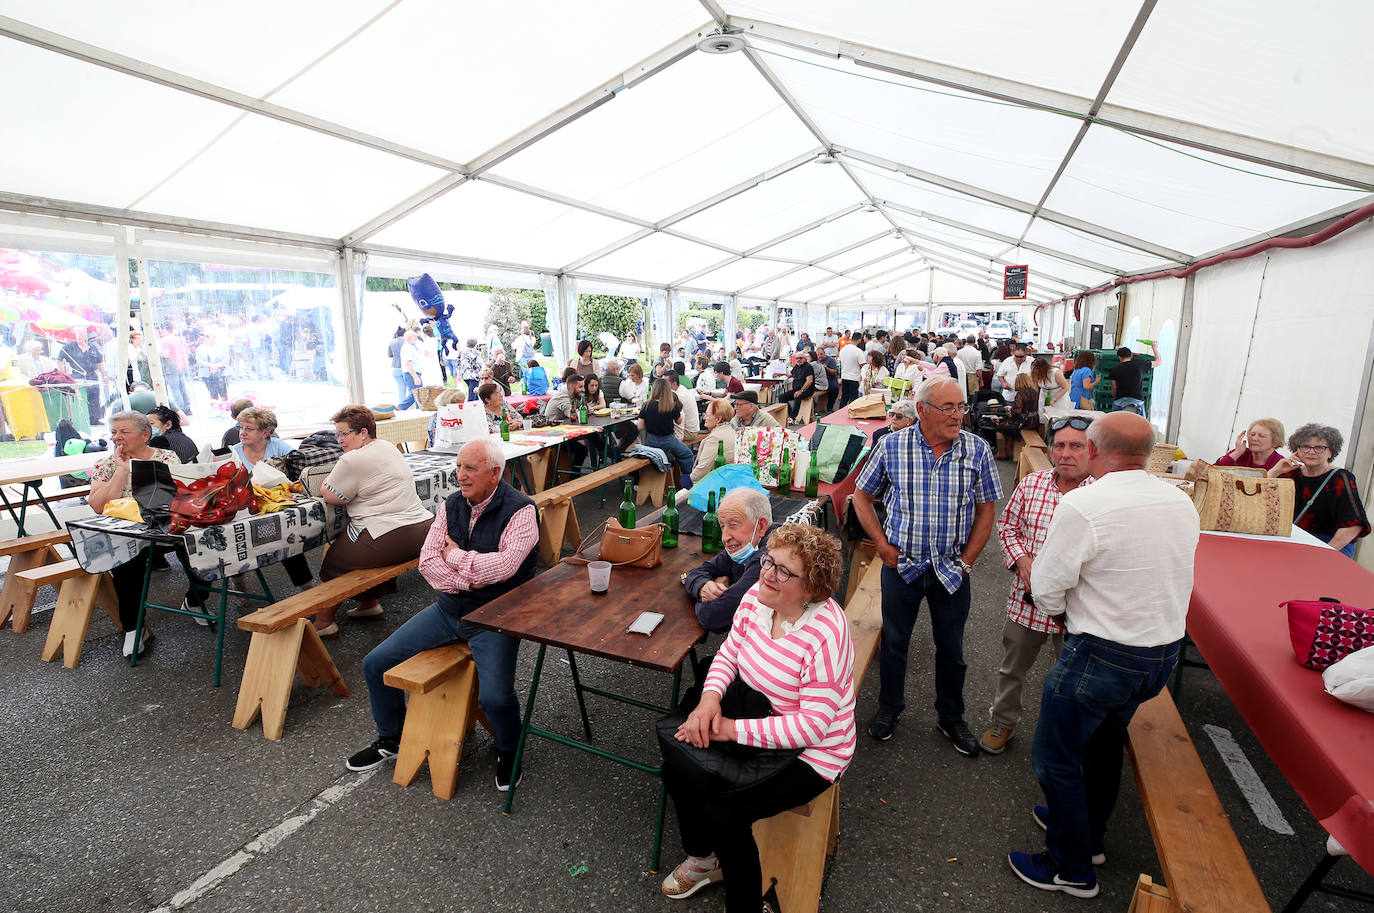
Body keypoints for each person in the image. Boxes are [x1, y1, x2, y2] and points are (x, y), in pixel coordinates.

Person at [1010, 412, 1198, 899]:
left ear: (1093, 449)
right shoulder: (1178, 500)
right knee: (1104, 746)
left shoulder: (1085, 504)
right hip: (1159, 653)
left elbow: (1049, 587)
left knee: (1056, 758)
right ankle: (1089, 837)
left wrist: (1059, 611)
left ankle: (1071, 869)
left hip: (1101, 651)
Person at [660, 525, 855, 911]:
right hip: (752, 715)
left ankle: (745, 906)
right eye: (768, 561)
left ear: (813, 588)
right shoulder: (758, 597)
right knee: (677, 764)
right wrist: (708, 701)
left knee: (725, 812)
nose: (767, 573)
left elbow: (811, 726)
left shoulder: (826, 633)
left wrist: (730, 730)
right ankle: (704, 859)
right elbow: (730, 652)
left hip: (812, 754)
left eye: (784, 570)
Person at [346, 438, 537, 790]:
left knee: (494, 696)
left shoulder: (522, 510)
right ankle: (391, 738)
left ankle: (510, 749)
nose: (459, 475)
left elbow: (506, 566)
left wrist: (456, 558)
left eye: (470, 468)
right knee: (375, 663)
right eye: (459, 466)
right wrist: (470, 577)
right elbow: (427, 560)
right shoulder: (452, 504)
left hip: (494, 618)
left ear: (495, 473)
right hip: (448, 609)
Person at [852, 377, 1002, 756]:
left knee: (952, 649)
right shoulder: (892, 446)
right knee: (895, 644)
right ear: (922, 410)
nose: (957, 415)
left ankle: (951, 717)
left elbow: (987, 511)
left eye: (961, 407)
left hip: (951, 569)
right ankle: (890, 707)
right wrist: (883, 547)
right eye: (947, 407)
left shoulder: (977, 450)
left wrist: (968, 562)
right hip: (902, 565)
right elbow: (861, 497)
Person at [980, 416, 1094, 756]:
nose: (1066, 453)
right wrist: (1023, 562)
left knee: (1072, 680)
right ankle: (1003, 721)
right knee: (1012, 669)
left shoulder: (1101, 494)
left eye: (1076, 446)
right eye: (1059, 445)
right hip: (1026, 601)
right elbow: (1007, 527)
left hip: (1078, 608)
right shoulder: (1032, 485)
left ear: (1092, 450)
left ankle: (1061, 740)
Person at [313, 406, 436, 636]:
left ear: (363, 433)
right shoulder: (386, 446)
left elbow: (331, 495)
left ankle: (323, 624)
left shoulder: (353, 459)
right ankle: (369, 604)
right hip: (423, 529)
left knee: (334, 560)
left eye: (344, 434)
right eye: (337, 434)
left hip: (392, 536)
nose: (339, 440)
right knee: (366, 548)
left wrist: (325, 481)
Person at [87, 411, 182, 658]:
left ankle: (196, 599)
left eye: (124, 432)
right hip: (128, 534)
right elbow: (98, 506)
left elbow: (181, 494)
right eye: (114, 432)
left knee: (203, 549)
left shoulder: (165, 458)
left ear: (145, 435)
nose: (117, 437)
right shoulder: (106, 464)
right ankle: (133, 627)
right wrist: (120, 471)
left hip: (167, 526)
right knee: (125, 564)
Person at [232, 407, 317, 592]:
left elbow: (298, 475)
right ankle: (238, 582)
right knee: (234, 541)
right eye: (241, 427)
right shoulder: (234, 453)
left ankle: (308, 587)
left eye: (249, 428)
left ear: (266, 432)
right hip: (248, 510)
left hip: (279, 507)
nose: (242, 432)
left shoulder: (280, 447)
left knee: (287, 540)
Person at [1269, 423, 1370, 557]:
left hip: (1330, 544)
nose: (1311, 452)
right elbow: (1258, 502)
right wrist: (1275, 471)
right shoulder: (1290, 474)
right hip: (1293, 540)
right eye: (1305, 446)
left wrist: (1326, 552)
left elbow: (1354, 525)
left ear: (1331, 452)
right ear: (1296, 450)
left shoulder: (1341, 478)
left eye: (1319, 447)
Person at [682, 488, 774, 633]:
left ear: (761, 526)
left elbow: (714, 617)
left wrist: (710, 597)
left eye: (733, 525)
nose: (725, 537)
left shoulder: (770, 560)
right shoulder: (745, 546)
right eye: (723, 526)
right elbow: (693, 573)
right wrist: (703, 587)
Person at [638, 377, 695, 488]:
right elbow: (679, 421)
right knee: (687, 454)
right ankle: (686, 480)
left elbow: (640, 426)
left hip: (651, 441)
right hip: (668, 440)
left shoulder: (646, 405)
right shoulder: (671, 405)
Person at [59, 327, 106, 424]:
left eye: (81, 334)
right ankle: (81, 419)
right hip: (77, 376)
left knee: (94, 398)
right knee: (80, 397)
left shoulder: (93, 347)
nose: (79, 336)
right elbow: (59, 360)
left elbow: (100, 362)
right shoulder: (69, 347)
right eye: (77, 334)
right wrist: (65, 373)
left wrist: (104, 376)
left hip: (92, 376)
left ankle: (94, 419)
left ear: (85, 335)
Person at [543, 372, 589, 468]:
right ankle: (574, 477)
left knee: (593, 435)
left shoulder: (575, 395)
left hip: (565, 430)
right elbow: (571, 414)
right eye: (580, 387)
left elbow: (584, 408)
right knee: (582, 450)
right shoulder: (563, 397)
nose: (583, 390)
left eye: (583, 387)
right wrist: (584, 410)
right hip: (553, 434)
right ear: (572, 387)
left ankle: (609, 454)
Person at [691, 399, 736, 484]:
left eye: (707, 415)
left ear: (718, 419)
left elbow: (703, 469)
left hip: (713, 485)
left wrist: (691, 477)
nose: (704, 418)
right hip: (728, 481)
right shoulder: (732, 431)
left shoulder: (715, 438)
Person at [1216, 417, 1285, 470]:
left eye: (1261, 436)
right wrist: (1237, 453)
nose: (1254, 438)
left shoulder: (1281, 463)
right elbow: (1213, 472)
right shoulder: (1238, 454)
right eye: (1252, 434)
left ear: (1275, 441)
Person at [1108, 342, 1157, 415]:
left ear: (1119, 357)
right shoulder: (1139, 365)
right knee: (1142, 424)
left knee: (1114, 423)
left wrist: (1116, 399)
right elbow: (1159, 362)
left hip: (1120, 401)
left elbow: (1114, 387)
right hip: (1137, 401)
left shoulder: (1115, 369)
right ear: (1131, 356)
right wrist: (1155, 348)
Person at [777, 352, 815, 423]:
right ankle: (790, 415)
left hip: (807, 390)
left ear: (805, 359)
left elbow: (809, 381)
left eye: (800, 358)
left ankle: (792, 417)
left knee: (798, 396)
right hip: (796, 389)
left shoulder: (808, 367)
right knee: (782, 397)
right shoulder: (796, 367)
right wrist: (779, 374)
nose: (798, 360)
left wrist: (801, 390)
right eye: (797, 358)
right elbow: (790, 375)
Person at [668, 372, 700, 440]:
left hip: (689, 432)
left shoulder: (679, 396)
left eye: (664, 383)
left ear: (673, 384)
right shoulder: (681, 388)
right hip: (691, 428)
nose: (663, 385)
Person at [397, 330, 423, 410]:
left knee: (417, 393)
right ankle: (400, 407)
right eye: (414, 337)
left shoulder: (412, 346)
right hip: (411, 373)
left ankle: (418, 409)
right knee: (417, 393)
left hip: (414, 373)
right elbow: (408, 363)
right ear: (408, 338)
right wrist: (415, 377)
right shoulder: (407, 348)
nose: (416, 339)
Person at [837, 336, 865, 408]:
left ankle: (840, 414)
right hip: (854, 378)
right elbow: (863, 365)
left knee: (844, 398)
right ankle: (852, 414)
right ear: (859, 340)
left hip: (844, 377)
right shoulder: (858, 351)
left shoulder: (843, 349)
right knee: (853, 399)